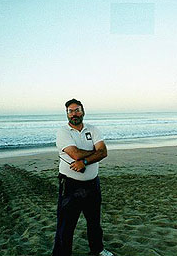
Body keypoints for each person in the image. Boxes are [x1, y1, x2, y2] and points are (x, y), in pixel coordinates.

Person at [52, 98, 114, 256]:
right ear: (67, 114)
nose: (74, 114)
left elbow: (104, 152)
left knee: (94, 222)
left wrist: (85, 161)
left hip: (93, 184)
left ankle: (98, 250)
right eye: (70, 111)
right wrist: (95, 152)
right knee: (66, 225)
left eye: (77, 110)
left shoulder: (92, 129)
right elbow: (75, 153)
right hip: (70, 185)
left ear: (83, 111)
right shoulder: (63, 132)